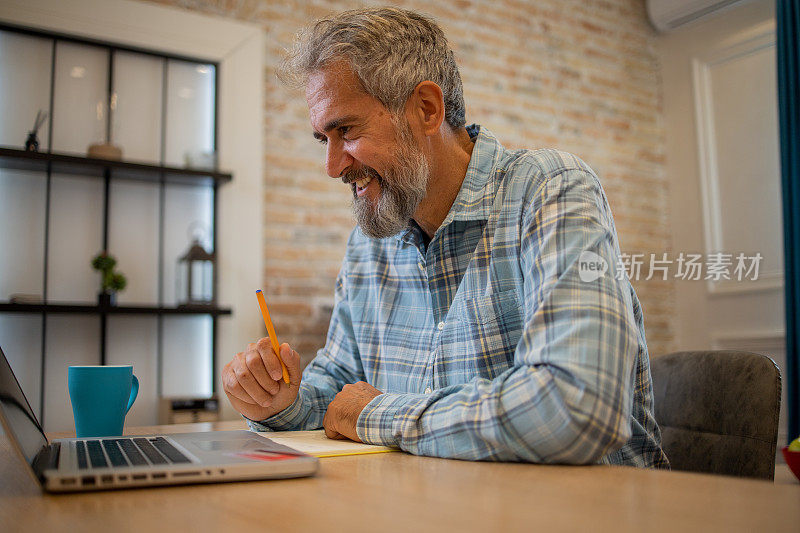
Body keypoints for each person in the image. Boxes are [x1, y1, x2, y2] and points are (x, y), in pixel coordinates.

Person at [222, 7, 669, 467]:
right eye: (324, 140)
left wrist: (377, 414)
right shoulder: (369, 243)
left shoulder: (550, 190)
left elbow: (575, 406)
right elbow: (338, 390)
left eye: (348, 131)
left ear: (427, 109)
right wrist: (280, 403)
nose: (333, 167)